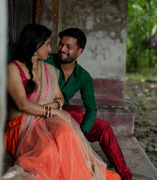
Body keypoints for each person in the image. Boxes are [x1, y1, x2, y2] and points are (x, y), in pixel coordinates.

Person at [2, 23, 121, 180]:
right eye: (50, 44)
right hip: (24, 124)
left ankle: (118, 174)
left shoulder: (55, 70)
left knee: (70, 131)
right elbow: (23, 104)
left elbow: (66, 100)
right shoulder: (18, 67)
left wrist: (60, 111)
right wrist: (55, 110)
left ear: (79, 52)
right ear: (35, 44)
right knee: (50, 150)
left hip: (46, 119)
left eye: (68, 47)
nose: (55, 49)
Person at [45, 28, 132, 180]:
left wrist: (83, 131)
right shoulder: (47, 61)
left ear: (79, 52)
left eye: (68, 47)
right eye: (61, 44)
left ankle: (125, 175)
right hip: (45, 112)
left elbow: (92, 108)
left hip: (66, 115)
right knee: (75, 113)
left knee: (103, 128)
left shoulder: (83, 76)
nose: (62, 49)